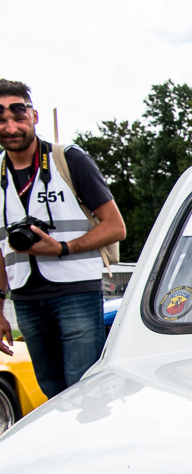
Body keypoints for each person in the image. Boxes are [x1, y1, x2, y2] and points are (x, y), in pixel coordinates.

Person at [0, 80, 126, 397]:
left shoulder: (67, 160)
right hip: (25, 297)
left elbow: (115, 227)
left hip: (75, 292)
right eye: (1, 119)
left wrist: (62, 248)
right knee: (50, 393)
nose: (11, 126)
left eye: (18, 115)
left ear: (34, 116)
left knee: (83, 390)